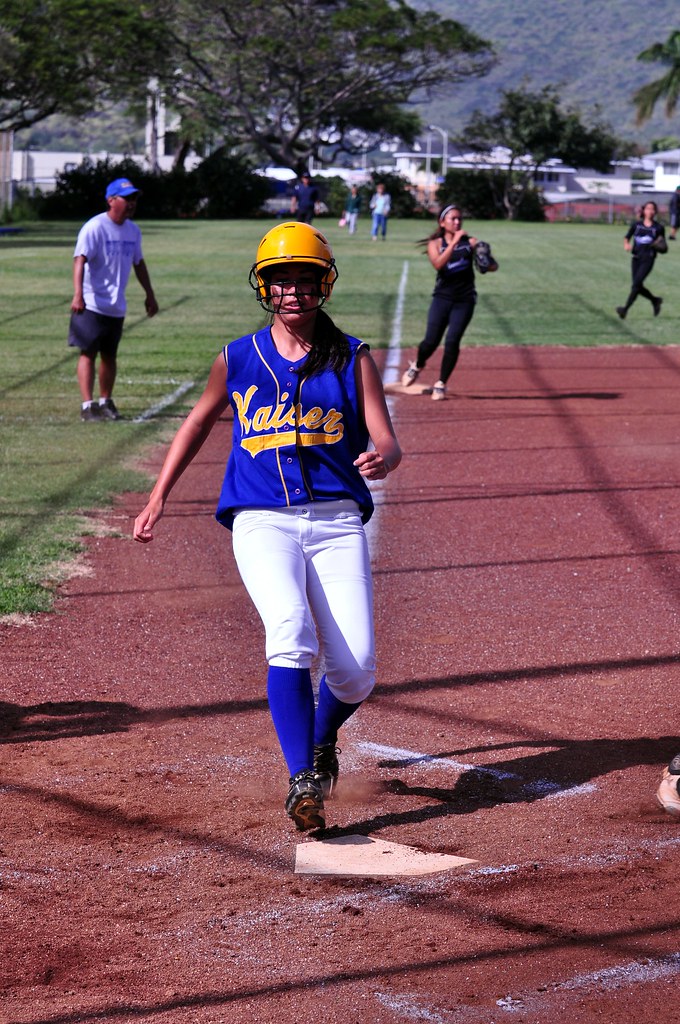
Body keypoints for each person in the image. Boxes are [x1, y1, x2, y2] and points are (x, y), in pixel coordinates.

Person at [133, 222, 401, 833]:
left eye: (305, 281)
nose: (293, 293)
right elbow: (198, 423)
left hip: (335, 519)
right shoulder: (235, 357)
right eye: (280, 281)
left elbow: (386, 437)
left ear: (323, 286)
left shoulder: (352, 356)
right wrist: (158, 496)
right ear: (263, 287)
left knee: (356, 672)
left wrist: (384, 456)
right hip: (260, 521)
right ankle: (302, 777)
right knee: (290, 629)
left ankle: (321, 739)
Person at [69, 177, 158, 421]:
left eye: (134, 199)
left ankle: (105, 401)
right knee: (88, 352)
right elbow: (80, 259)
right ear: (111, 200)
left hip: (116, 305)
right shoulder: (95, 227)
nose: (131, 203)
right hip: (90, 301)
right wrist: (78, 294)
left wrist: (149, 294)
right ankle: (88, 405)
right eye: (126, 198)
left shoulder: (133, 230)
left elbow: (138, 263)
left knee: (109, 355)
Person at [401, 204, 498, 401]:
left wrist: (486, 259)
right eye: (453, 219)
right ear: (442, 222)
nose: (457, 222)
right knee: (430, 341)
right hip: (442, 299)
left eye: (459, 219)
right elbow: (438, 264)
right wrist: (454, 242)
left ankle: (441, 383)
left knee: (452, 341)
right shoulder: (435, 243)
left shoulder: (470, 242)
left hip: (465, 300)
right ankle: (418, 364)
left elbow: (492, 266)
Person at [615, 200, 665, 320]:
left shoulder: (658, 228)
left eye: (652, 209)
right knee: (636, 285)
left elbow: (664, 246)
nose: (650, 211)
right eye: (648, 208)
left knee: (636, 285)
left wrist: (660, 246)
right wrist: (626, 244)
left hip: (648, 259)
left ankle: (625, 309)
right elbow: (627, 237)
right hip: (636, 258)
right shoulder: (636, 225)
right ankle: (655, 300)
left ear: (655, 211)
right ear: (644, 210)